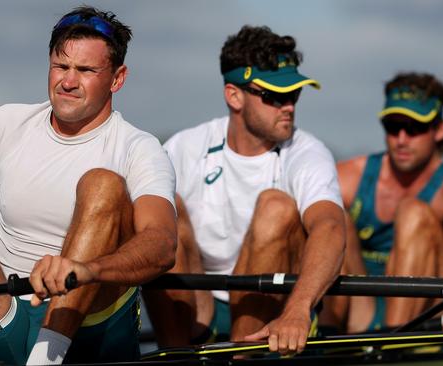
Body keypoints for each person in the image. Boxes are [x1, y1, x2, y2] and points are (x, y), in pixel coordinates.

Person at [0, 6, 177, 365]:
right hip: (6, 312)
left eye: (86, 70)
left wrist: (87, 270)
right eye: (61, 66)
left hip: (90, 321)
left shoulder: (139, 148)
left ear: (117, 78)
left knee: (102, 183)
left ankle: (46, 357)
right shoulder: (2, 125)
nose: (68, 81)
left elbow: (163, 244)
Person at [142, 25, 346, 355]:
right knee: (163, 207)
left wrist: (299, 309)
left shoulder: (308, 152)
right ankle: (176, 354)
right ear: (234, 96)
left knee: (275, 206)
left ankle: (242, 354)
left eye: (294, 94)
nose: (289, 107)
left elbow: (331, 226)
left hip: (278, 308)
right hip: (200, 302)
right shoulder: (186, 147)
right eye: (274, 95)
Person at [334, 72, 443, 349]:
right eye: (393, 127)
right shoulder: (348, 176)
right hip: (359, 306)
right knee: (331, 217)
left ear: (439, 130)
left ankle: (392, 347)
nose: (401, 139)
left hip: (419, 311)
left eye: (414, 128)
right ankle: (327, 340)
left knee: (414, 212)